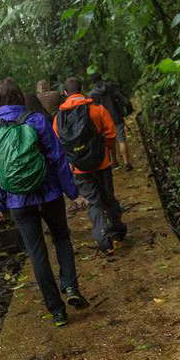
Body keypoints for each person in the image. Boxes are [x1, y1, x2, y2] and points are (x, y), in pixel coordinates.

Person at [0, 77, 89, 326]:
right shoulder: (36, 119)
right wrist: (72, 193)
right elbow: (58, 158)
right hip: (49, 194)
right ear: (20, 96)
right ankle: (71, 287)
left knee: (37, 254)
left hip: (18, 202)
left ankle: (57, 311)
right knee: (61, 238)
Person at [53, 76, 128, 256]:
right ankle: (117, 229)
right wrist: (107, 151)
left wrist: (71, 161)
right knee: (108, 197)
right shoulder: (97, 109)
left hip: (80, 168)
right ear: (83, 89)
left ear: (65, 93)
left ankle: (104, 240)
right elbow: (110, 134)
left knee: (93, 202)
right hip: (102, 163)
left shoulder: (59, 118)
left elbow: (58, 143)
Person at [89, 73, 134, 170]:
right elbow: (123, 100)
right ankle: (127, 163)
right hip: (117, 117)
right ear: (101, 78)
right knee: (121, 140)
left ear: (93, 82)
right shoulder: (110, 87)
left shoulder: (92, 94)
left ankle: (114, 163)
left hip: (103, 122)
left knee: (109, 142)